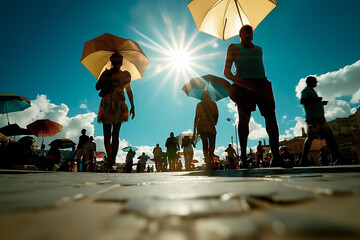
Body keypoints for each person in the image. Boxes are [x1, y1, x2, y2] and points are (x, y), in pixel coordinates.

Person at [224, 24, 282, 168]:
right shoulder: (233, 47)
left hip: (262, 84)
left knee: (271, 118)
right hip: (243, 86)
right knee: (244, 120)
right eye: (244, 30)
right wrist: (241, 81)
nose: (248, 31)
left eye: (250, 29)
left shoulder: (259, 50)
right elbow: (226, 72)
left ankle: (276, 155)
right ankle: (243, 157)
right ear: (240, 35)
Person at [96, 52, 135, 171]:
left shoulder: (106, 73)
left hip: (108, 104)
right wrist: (133, 105)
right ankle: (112, 159)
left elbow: (97, 87)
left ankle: (110, 159)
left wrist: (106, 78)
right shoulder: (125, 75)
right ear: (121, 62)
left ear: (111, 62)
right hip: (119, 104)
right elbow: (129, 91)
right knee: (115, 134)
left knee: (107, 134)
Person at [300, 76, 342, 165]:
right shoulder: (306, 91)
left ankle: (303, 159)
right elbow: (303, 101)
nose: (316, 83)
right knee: (327, 137)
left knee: (324, 137)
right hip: (314, 119)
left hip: (318, 119)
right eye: (315, 81)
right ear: (309, 82)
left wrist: (320, 103)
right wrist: (316, 100)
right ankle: (339, 157)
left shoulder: (311, 91)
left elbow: (311, 103)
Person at [192, 90, 218, 170]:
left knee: (212, 144)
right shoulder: (199, 105)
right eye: (204, 95)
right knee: (205, 144)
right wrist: (194, 131)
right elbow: (196, 117)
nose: (206, 96)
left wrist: (214, 121)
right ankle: (208, 161)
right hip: (202, 126)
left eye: (207, 95)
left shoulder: (213, 104)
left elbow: (216, 115)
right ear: (202, 97)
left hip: (211, 125)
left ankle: (210, 156)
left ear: (209, 96)